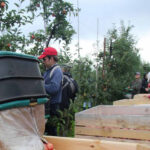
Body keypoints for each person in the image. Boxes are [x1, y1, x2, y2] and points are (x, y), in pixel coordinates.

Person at [38, 47, 63, 136]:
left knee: (52, 132)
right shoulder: (48, 71)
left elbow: (54, 88)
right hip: (47, 105)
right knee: (45, 131)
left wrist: (39, 85)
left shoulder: (57, 71)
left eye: (44, 59)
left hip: (53, 107)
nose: (43, 61)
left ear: (51, 58)